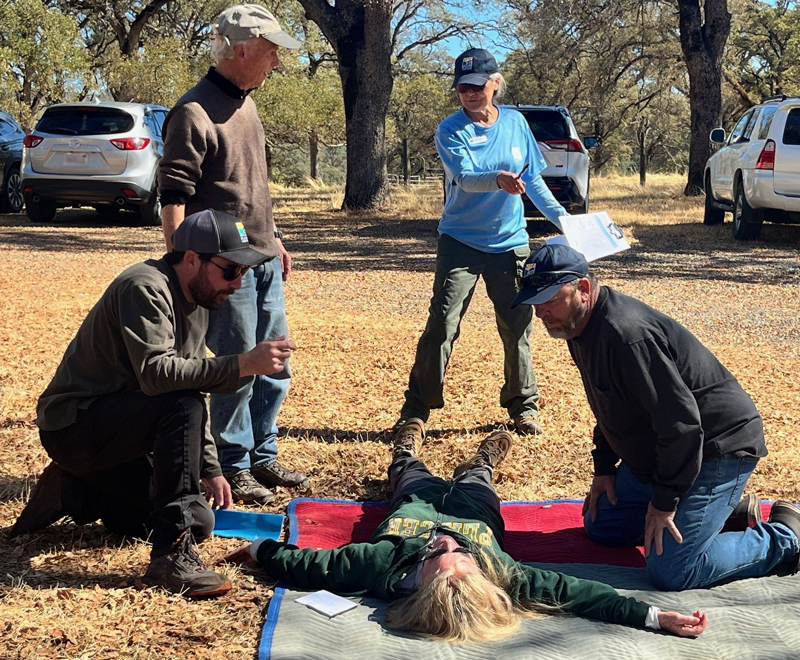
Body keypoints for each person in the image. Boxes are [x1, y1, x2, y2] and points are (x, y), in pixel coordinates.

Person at [11, 209, 297, 598]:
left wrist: (210, 468)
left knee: (199, 521)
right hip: (74, 428)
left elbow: (191, 380)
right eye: (231, 269)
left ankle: (75, 490)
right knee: (181, 406)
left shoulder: (198, 297)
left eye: (244, 271)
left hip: (123, 434)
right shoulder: (143, 286)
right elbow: (158, 376)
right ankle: (170, 558)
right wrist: (244, 364)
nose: (237, 282)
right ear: (192, 258)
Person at [222, 420, 708, 642]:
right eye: (462, 555)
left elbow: (307, 565)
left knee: (408, 472)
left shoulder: (377, 566)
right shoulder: (500, 572)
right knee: (477, 478)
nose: (449, 542)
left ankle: (404, 448)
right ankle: (483, 460)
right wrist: (652, 616)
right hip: (476, 506)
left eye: (438, 554)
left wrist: (257, 548)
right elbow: (578, 593)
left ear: (421, 580)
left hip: (414, 499)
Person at [511, 243, 800, 590]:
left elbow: (683, 428)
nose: (541, 312)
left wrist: (663, 503)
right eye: (534, 302)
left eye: (549, 299)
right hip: (666, 450)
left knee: (672, 570)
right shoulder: (577, 325)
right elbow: (608, 404)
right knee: (602, 524)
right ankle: (725, 516)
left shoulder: (627, 336)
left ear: (583, 288)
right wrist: (604, 468)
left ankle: (786, 537)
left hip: (717, 447)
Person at [158, 4, 307, 506]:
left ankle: (263, 453)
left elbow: (253, 185)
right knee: (237, 366)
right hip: (224, 266)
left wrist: (275, 237)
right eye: (270, 52)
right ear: (241, 51)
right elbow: (173, 196)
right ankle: (232, 463)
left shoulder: (248, 103)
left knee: (276, 362)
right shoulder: (193, 112)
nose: (276, 63)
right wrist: (181, 267)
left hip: (263, 257)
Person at [394, 48, 569, 444]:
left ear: (496, 83)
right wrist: (499, 179)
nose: (470, 94)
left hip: (510, 243)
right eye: (463, 88)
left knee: (517, 326)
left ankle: (523, 406)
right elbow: (465, 178)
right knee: (442, 323)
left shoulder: (516, 123)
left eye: (477, 86)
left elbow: (533, 181)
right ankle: (416, 410)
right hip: (461, 240)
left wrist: (565, 221)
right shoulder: (450, 129)